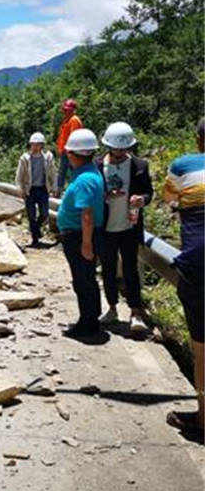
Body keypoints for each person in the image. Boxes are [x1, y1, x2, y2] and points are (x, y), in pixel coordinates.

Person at [163, 118, 205, 439]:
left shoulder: (182, 165)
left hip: (198, 264)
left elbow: (170, 199)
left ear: (198, 139)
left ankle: (203, 419)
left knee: (202, 345)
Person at [95, 122, 153, 335]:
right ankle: (111, 308)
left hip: (130, 226)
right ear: (108, 146)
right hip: (106, 227)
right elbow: (92, 193)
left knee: (131, 270)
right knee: (108, 269)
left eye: (123, 148)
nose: (119, 152)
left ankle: (135, 312)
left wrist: (142, 200)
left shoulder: (139, 165)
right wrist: (105, 196)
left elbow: (148, 192)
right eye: (116, 148)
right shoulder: (97, 165)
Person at [56, 128, 105, 339]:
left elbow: (87, 214)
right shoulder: (91, 172)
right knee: (87, 278)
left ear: (74, 154)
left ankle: (88, 323)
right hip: (81, 234)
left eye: (68, 152)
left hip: (79, 235)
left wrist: (86, 244)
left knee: (82, 280)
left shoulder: (84, 179)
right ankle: (92, 317)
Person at [15, 132, 57, 247]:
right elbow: (19, 175)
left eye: (37, 144)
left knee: (44, 214)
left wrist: (54, 187)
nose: (35, 146)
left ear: (42, 145)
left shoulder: (48, 157)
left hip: (43, 188)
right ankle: (35, 239)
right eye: (33, 144)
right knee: (31, 216)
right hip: (30, 189)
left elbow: (53, 173)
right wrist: (20, 189)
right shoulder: (25, 158)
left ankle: (36, 228)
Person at [55, 98, 84, 193]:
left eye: (67, 110)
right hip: (65, 150)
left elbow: (74, 136)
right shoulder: (67, 120)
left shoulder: (74, 120)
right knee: (63, 170)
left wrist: (70, 150)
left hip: (71, 150)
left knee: (72, 171)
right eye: (65, 110)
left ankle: (74, 190)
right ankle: (60, 189)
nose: (65, 112)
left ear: (73, 110)